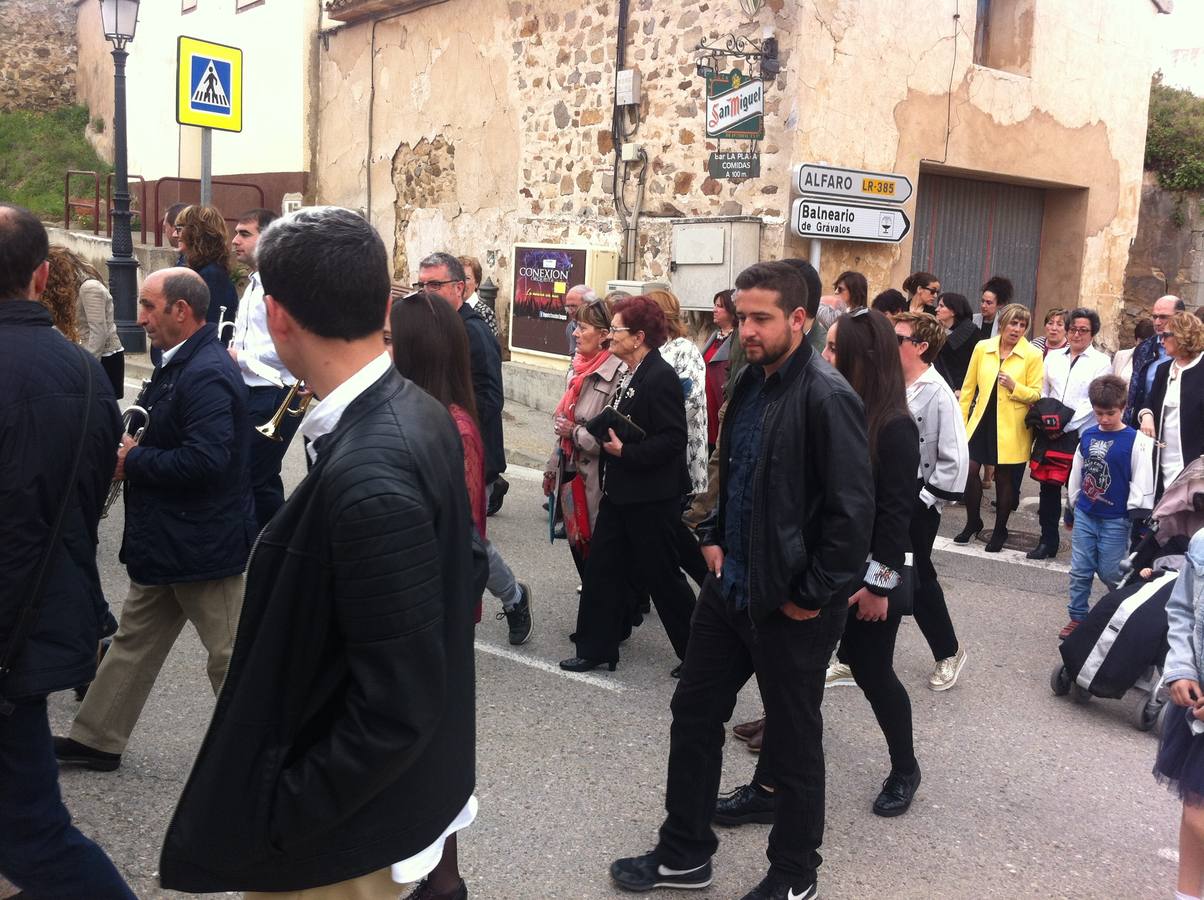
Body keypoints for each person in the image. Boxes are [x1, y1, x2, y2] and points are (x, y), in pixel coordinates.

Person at [158, 207, 481, 898]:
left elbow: (395, 706)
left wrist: (278, 816)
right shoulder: (414, 408)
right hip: (369, 818)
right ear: (383, 303)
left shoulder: (373, 471)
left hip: (337, 848)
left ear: (276, 317)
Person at [609, 263, 874, 900]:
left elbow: (852, 516)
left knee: (793, 742)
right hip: (730, 592)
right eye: (743, 316)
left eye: (762, 319)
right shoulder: (750, 381)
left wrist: (809, 596)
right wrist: (712, 537)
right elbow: (736, 473)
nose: (747, 330)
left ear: (801, 321)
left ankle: (792, 875)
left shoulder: (827, 396)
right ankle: (684, 853)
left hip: (791, 605)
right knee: (694, 713)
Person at [717, 308, 922, 837]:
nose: (825, 357)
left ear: (863, 357)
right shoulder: (825, 405)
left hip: (869, 581)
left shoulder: (894, 425)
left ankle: (905, 768)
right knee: (797, 690)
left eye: (835, 349)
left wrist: (878, 586)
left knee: (875, 675)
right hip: (824, 575)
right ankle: (767, 789)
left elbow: (895, 516)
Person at [54, 267, 256, 773]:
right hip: (171, 537)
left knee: (231, 656)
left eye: (148, 306)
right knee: (132, 642)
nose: (139, 317)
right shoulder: (184, 361)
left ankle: (264, 755)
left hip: (203, 543)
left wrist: (132, 461)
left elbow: (209, 460)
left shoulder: (206, 371)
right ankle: (97, 739)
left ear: (181, 311)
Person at [0, 204, 133, 898]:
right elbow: (84, 510)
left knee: (34, 836)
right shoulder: (85, 376)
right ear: (43, 275)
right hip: (32, 629)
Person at [388, 289, 483, 900]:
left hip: (433, 609)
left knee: (429, 754)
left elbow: (456, 532)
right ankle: (436, 879)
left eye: (393, 341)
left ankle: (442, 882)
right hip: (429, 606)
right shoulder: (426, 416)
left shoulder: (448, 426)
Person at [561, 296, 697, 674]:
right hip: (621, 492)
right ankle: (596, 647)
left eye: (617, 330)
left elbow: (672, 440)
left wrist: (624, 452)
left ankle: (699, 654)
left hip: (652, 496)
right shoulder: (630, 370)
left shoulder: (661, 376)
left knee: (664, 577)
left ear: (638, 337)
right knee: (602, 570)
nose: (611, 336)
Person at [415, 252, 532, 644]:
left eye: (435, 285)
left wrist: (455, 433)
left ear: (459, 288)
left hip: (468, 454)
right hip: (435, 448)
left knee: (468, 541)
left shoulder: (474, 332)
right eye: (422, 285)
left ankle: (514, 598)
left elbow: (489, 399)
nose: (425, 292)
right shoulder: (434, 324)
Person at [893, 312, 970, 690]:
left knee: (916, 577)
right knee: (876, 569)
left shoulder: (937, 391)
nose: (891, 346)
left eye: (899, 339)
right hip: (887, 494)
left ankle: (948, 652)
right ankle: (852, 656)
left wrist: (925, 499)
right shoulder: (893, 383)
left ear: (921, 347)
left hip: (916, 500)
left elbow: (955, 456)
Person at [1061, 374, 1154, 640]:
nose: (1103, 419)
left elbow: (1142, 478)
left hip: (1116, 518)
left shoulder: (1135, 440)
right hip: (1086, 513)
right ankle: (1077, 617)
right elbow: (1077, 473)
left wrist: (1139, 516)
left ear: (1123, 408)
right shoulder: (1088, 436)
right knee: (1080, 569)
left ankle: (1124, 610)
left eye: (1110, 413)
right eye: (1099, 413)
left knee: (1112, 571)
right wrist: (1072, 506)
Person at [229, 207, 302, 530]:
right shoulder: (254, 284)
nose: (235, 241)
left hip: (273, 390)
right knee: (260, 478)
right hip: (250, 389)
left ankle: (275, 544)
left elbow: (290, 345)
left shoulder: (282, 284)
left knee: (253, 476)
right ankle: (272, 547)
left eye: (245, 234)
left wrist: (238, 359)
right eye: (236, 233)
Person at [543, 296, 624, 575]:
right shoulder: (578, 369)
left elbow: (609, 438)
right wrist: (552, 467)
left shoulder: (618, 374)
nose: (575, 333)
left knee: (597, 557)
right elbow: (563, 426)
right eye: (576, 326)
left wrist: (574, 432)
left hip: (595, 482)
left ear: (604, 335)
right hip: (570, 472)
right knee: (578, 547)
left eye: (583, 328)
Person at [956, 302, 1043, 552]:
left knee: (1004, 479)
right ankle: (973, 521)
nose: (1017, 329)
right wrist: (962, 423)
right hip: (981, 419)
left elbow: (1036, 394)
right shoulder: (983, 348)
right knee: (968, 470)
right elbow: (968, 388)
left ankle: (1000, 530)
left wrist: (1016, 387)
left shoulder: (1032, 355)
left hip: (1011, 426)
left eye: (1022, 325)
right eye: (1013, 323)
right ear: (1002, 324)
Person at [1027, 308, 1113, 560]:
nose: (1076, 334)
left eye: (1083, 330)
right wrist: (1046, 420)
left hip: (1081, 433)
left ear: (1092, 333)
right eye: (1073, 329)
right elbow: (1043, 391)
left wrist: (1064, 425)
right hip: (1049, 430)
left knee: (1081, 488)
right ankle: (1047, 540)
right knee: (1048, 487)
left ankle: (1084, 545)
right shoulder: (1053, 357)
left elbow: (1094, 401)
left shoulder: (1101, 362)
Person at [1153, 528, 1204, 900]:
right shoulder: (1202, 543)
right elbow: (1182, 609)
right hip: (1197, 705)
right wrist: (1182, 669)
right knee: (1194, 807)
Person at [647, 287, 708, 496]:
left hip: (679, 445)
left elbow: (692, 398)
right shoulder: (651, 348)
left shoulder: (684, 349)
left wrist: (657, 426)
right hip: (651, 447)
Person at [1138, 311, 1204, 496]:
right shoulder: (1164, 369)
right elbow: (1148, 402)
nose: (1161, 340)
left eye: (1166, 335)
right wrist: (1147, 416)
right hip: (1161, 461)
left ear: (1183, 336)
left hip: (1194, 464)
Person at [45, 247, 125, 398]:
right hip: (88, 354)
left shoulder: (89, 288)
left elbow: (99, 334)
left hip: (103, 358)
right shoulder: (74, 287)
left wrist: (85, 367)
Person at [175, 204, 239, 340]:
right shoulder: (202, 270)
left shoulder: (211, 275)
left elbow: (207, 329)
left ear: (196, 232)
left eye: (180, 229)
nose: (176, 235)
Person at [1127, 294, 1187, 426]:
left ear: (1180, 317)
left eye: (1164, 317)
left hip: (1181, 426)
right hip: (1144, 423)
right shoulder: (1143, 349)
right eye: (1155, 317)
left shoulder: (1194, 351)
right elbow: (1134, 393)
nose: (1157, 322)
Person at [702, 289, 736, 452]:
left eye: (719, 306)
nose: (714, 310)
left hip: (720, 403)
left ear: (731, 309)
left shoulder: (737, 341)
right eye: (714, 305)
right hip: (706, 405)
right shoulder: (714, 337)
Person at [933, 291, 976, 393]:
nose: (936, 309)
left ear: (953, 312)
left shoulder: (972, 336)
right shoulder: (939, 331)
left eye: (941, 306)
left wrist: (962, 389)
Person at [459, 254, 499, 339]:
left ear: (477, 283)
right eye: (458, 277)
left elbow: (490, 348)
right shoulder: (450, 308)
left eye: (467, 278)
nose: (461, 283)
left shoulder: (485, 313)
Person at [1113, 318, 1155, 384]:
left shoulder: (1156, 362)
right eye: (1140, 342)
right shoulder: (1120, 355)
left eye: (1146, 344)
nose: (1143, 347)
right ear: (1136, 340)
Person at [973, 275, 1012, 342]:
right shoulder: (972, 320)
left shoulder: (1004, 325)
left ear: (1000, 304)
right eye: (982, 301)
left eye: (989, 303)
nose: (983, 306)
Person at [563, 284, 597, 356]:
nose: (570, 311)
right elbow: (574, 359)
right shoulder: (571, 327)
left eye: (574, 306)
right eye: (568, 307)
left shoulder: (602, 326)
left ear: (589, 304)